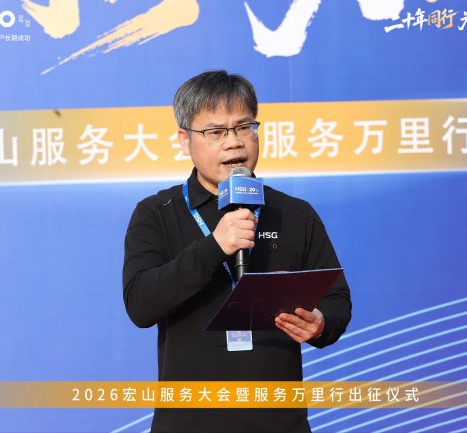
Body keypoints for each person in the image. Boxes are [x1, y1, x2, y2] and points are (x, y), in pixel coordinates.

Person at [122, 70, 351, 433]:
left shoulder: (294, 213)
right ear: (185, 140)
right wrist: (214, 247)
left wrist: (321, 322)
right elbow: (140, 304)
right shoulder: (157, 213)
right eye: (216, 132)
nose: (234, 143)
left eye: (244, 127)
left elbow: (337, 299)